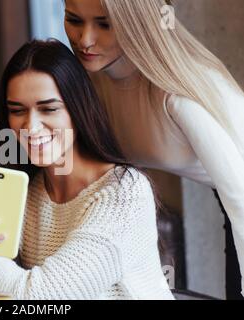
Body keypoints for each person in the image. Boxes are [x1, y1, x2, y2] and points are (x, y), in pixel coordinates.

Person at [0, 40, 174, 300]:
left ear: (78, 109)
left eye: (49, 109)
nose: (30, 127)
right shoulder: (25, 189)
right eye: (17, 111)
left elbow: (42, 296)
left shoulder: (124, 192)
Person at [63, 0, 244, 299]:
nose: (85, 39)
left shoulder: (178, 95)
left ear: (140, 21)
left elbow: (240, 196)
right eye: (74, 20)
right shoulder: (91, 77)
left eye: (104, 24)